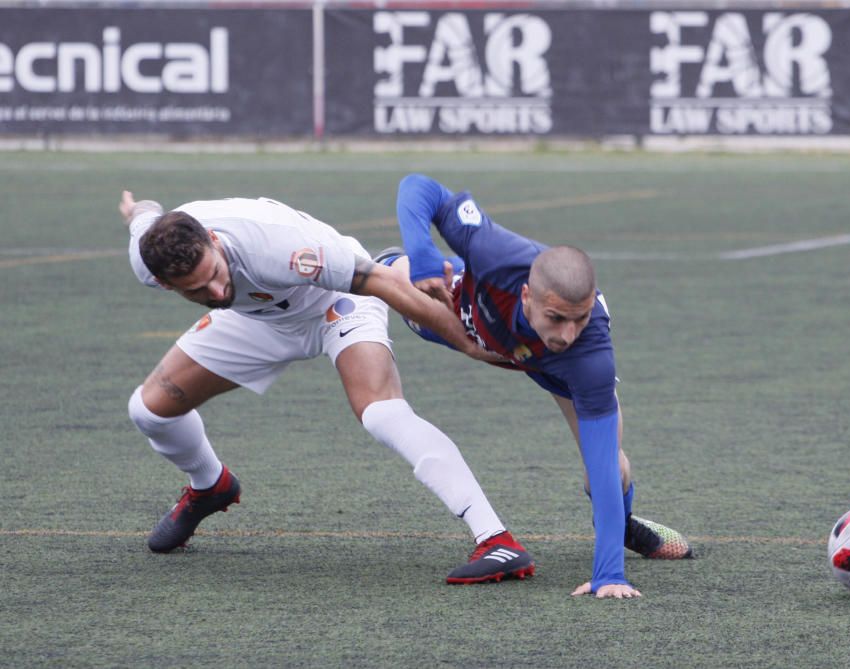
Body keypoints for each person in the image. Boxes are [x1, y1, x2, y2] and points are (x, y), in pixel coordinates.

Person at [119, 190, 535, 585]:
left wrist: (468, 345)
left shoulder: (283, 249)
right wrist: (140, 208)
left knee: (381, 412)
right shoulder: (151, 262)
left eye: (214, 273)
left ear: (213, 239)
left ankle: (496, 539)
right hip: (257, 320)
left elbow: (386, 284)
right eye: (196, 290)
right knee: (150, 410)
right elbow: (145, 219)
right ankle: (210, 486)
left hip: (335, 301)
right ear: (166, 283)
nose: (215, 291)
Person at [377, 174, 692, 599]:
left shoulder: (587, 354)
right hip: (468, 320)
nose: (567, 332)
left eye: (579, 319)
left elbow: (598, 463)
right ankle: (391, 263)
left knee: (610, 470)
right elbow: (419, 187)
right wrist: (424, 255)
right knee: (392, 279)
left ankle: (625, 528)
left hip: (559, 372)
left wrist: (609, 576)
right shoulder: (495, 253)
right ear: (526, 296)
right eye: (556, 318)